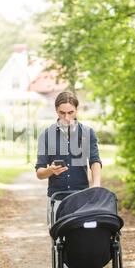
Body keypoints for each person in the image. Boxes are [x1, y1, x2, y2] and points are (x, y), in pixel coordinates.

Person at [35, 91, 102, 227]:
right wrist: (50, 170)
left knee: (82, 238)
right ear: (56, 111)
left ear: (77, 110)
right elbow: (39, 173)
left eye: (70, 112)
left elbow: (95, 161)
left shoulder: (88, 133)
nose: (66, 117)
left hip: (82, 198)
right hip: (57, 198)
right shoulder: (46, 135)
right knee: (59, 242)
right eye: (62, 113)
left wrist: (96, 185)